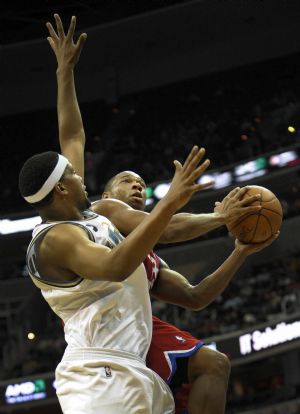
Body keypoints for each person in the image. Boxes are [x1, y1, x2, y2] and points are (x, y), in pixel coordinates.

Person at [46, 14, 278, 414]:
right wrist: (64, 72)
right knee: (209, 365)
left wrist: (240, 251)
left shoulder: (147, 256)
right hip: (103, 340)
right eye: (126, 180)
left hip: (132, 335)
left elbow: (195, 296)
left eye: (140, 183)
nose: (136, 186)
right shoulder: (97, 213)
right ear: (103, 193)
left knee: (215, 364)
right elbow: (73, 137)